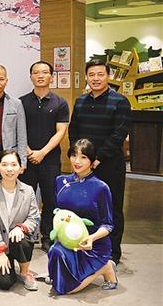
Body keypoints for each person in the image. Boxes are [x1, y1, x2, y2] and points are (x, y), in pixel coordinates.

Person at [68, 59, 131, 265]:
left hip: (110, 166)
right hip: (84, 167)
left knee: (111, 208)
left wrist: (98, 158)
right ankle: (87, 247)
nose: (95, 78)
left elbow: (119, 134)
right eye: (92, 75)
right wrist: (78, 157)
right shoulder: (80, 101)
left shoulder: (120, 101)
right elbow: (74, 130)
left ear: (108, 76)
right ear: (87, 76)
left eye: (100, 74)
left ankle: (112, 254)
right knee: (85, 207)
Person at [47, 138, 118, 294]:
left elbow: (108, 224)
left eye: (83, 157)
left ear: (92, 160)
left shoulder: (101, 187)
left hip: (93, 244)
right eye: (74, 155)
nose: (77, 161)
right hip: (67, 240)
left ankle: (105, 267)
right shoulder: (60, 181)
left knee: (66, 290)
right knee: (55, 252)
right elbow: (59, 213)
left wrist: (91, 238)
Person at [19, 61, 69, 251]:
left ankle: (48, 236)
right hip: (26, 159)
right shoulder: (21, 102)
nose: (40, 76)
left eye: (45, 72)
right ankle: (26, 235)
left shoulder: (60, 103)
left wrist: (42, 152)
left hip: (50, 160)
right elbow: (17, 130)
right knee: (26, 199)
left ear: (51, 76)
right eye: (36, 72)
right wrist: (28, 151)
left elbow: (60, 131)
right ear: (31, 76)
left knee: (50, 199)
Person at [0, 150, 40, 291]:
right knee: (5, 282)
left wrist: (21, 228)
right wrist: (0, 252)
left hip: (18, 240)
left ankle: (24, 272)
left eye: (14, 165)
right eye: (4, 165)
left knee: (22, 240)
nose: (9, 169)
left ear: (20, 168)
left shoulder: (28, 190)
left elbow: (33, 217)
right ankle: (6, 264)